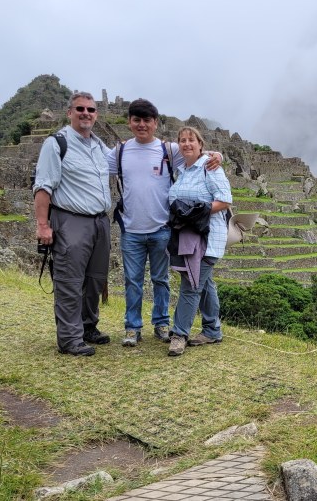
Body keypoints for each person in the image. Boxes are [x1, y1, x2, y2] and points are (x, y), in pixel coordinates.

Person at [107, 99, 221, 347]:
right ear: (129, 122)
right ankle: (132, 327)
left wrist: (217, 155)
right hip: (131, 230)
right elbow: (94, 167)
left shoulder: (169, 150)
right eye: (136, 120)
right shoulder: (120, 152)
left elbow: (198, 153)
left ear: (155, 123)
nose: (141, 125)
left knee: (161, 280)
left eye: (147, 120)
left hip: (162, 229)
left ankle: (161, 323)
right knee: (132, 281)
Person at [33, 92, 112, 357]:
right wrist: (43, 226)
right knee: (69, 279)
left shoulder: (100, 146)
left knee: (95, 279)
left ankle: (88, 327)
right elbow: (43, 186)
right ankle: (69, 338)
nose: (86, 113)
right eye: (80, 109)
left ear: (96, 115)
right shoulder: (56, 143)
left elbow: (133, 157)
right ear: (70, 112)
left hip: (100, 222)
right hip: (71, 220)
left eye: (91, 109)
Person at [166, 126, 232, 356]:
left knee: (191, 285)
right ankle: (212, 330)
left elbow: (225, 200)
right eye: (182, 140)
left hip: (208, 238)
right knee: (205, 284)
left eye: (191, 140)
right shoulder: (182, 170)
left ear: (200, 144)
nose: (186, 144)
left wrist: (195, 212)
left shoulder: (210, 167)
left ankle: (179, 334)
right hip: (188, 236)